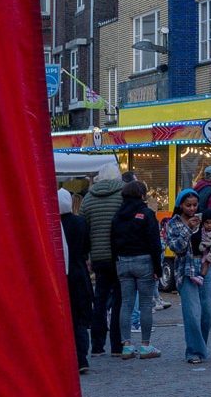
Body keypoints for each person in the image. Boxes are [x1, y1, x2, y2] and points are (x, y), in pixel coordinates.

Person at [163, 190, 211, 364]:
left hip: (204, 267)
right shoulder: (173, 223)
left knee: (210, 308)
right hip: (185, 269)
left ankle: (199, 344)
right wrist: (189, 229)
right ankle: (194, 351)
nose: (192, 208)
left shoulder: (204, 220)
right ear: (181, 205)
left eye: (195, 205)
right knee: (193, 313)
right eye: (188, 205)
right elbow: (176, 248)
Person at [110, 179, 163, 359]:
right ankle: (145, 345)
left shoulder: (117, 216)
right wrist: (158, 268)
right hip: (144, 261)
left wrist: (116, 262)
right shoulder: (146, 214)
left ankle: (126, 345)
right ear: (142, 195)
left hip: (123, 261)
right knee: (145, 304)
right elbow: (155, 243)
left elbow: (112, 242)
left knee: (126, 304)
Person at [79, 160, 126, 355]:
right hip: (119, 255)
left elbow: (83, 229)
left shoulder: (88, 198)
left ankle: (97, 345)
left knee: (100, 299)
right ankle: (117, 344)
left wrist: (87, 255)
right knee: (119, 300)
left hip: (98, 257)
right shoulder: (124, 194)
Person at [58, 188, 91, 374]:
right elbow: (86, 247)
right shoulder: (80, 222)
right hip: (79, 273)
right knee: (79, 319)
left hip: (62, 274)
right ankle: (82, 357)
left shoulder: (53, 223)